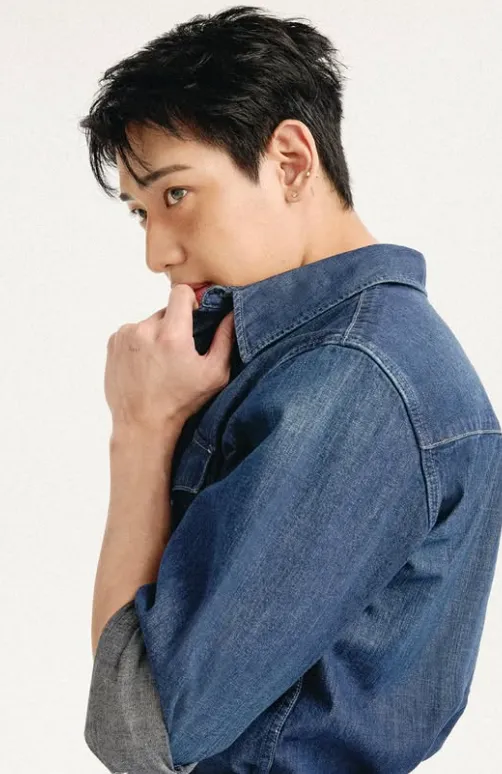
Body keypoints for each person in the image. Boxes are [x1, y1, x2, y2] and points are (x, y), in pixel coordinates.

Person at [79, 6, 502, 773]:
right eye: (140, 213)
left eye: (175, 195)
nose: (156, 252)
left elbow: (139, 728)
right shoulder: (322, 358)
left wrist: (139, 431)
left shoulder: (355, 378)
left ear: (291, 161)